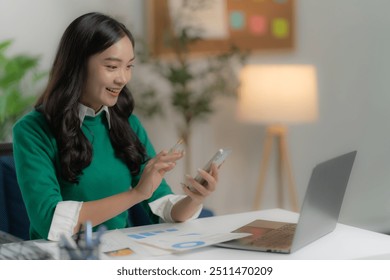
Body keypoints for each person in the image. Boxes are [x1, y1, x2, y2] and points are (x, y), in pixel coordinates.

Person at [12, 12, 219, 241]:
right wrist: (136, 194)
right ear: (77, 65)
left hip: (118, 254)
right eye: (112, 67)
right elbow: (50, 222)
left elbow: (162, 207)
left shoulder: (126, 123)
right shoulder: (32, 130)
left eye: (129, 66)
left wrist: (195, 198)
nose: (123, 79)